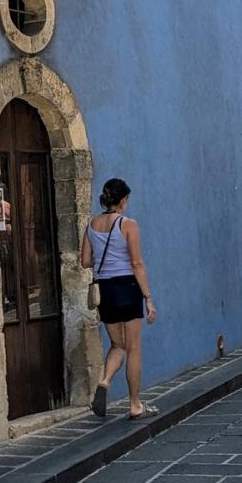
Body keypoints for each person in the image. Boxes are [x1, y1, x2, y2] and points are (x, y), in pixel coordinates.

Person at [81, 178, 158, 420]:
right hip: (127, 286)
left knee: (117, 344)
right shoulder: (128, 224)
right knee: (133, 348)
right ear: (123, 200)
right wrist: (148, 298)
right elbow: (136, 263)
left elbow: (85, 261)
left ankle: (104, 381)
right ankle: (135, 404)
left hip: (105, 291)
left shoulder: (91, 224)